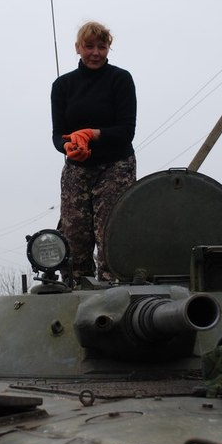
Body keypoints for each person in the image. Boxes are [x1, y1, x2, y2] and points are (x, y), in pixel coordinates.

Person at [50, 21, 137, 282]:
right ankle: (75, 292)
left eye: (102, 47)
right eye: (89, 46)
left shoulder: (121, 80)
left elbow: (126, 131)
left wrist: (91, 134)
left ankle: (114, 293)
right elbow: (58, 134)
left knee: (110, 235)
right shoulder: (62, 86)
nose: (95, 53)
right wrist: (68, 146)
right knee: (73, 239)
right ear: (78, 48)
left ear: (108, 48)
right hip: (77, 170)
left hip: (116, 168)